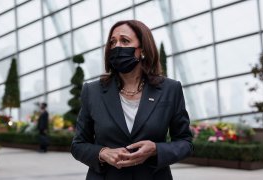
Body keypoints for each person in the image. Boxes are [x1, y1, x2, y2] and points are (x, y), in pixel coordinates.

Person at [71, 20, 193, 180]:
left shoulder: (170, 89)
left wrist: (155, 149)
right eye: (112, 42)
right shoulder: (92, 91)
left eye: (125, 41)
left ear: (142, 49)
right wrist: (102, 153)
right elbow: (78, 144)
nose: (116, 47)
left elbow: (185, 142)